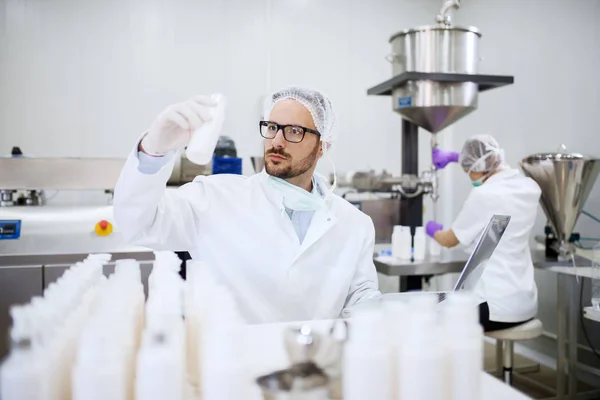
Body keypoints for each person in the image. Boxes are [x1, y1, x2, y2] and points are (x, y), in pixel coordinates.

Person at [113, 86, 381, 324]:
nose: (277, 141)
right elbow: (139, 224)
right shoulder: (215, 198)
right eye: (272, 127)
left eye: (295, 131)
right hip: (230, 370)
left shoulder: (354, 224)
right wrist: (153, 151)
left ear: (323, 145)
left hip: (311, 369)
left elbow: (361, 299)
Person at [426, 135, 541, 332]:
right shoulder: (529, 187)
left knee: (432, 320)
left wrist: (431, 229)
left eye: (468, 171)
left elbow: (449, 240)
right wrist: (457, 158)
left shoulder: (484, 195)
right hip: (525, 302)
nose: (469, 176)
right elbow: (484, 160)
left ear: (477, 168)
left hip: (494, 305)